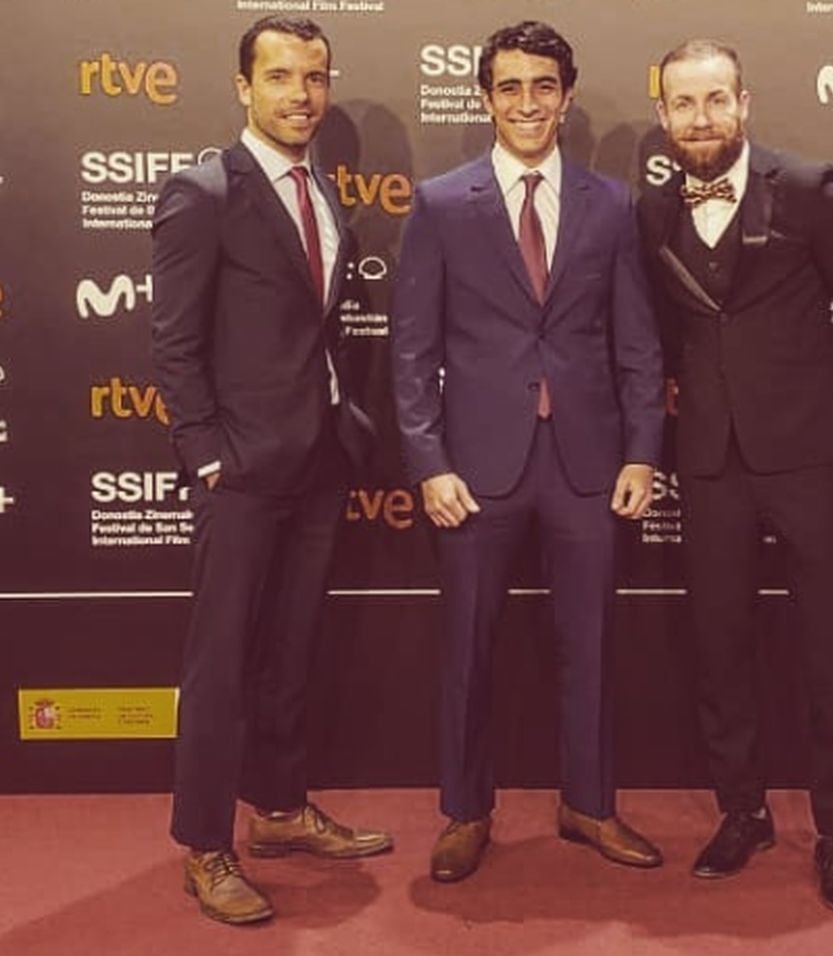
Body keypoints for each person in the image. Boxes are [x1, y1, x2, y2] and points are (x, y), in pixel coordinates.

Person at [391, 20, 665, 883]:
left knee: (592, 642)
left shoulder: (611, 204)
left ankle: (590, 804)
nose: (527, 103)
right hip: (475, 468)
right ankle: (467, 810)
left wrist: (642, 451)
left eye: (543, 86)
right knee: (469, 646)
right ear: (485, 98)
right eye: (509, 87)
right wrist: (429, 462)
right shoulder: (441, 204)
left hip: (588, 463)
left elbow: (637, 343)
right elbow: (411, 350)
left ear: (566, 96)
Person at [637, 39, 833, 913]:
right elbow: (664, 330)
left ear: (743, 103)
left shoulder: (808, 186)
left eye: (715, 100)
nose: (700, 118)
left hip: (808, 453)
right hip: (709, 458)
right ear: (663, 114)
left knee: (830, 649)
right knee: (719, 645)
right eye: (683, 103)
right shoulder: (652, 207)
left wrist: (814, 392)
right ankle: (741, 811)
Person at [151, 15, 390, 926]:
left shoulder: (320, 186)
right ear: (243, 87)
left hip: (318, 457)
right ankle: (205, 845)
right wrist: (206, 454)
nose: (301, 94)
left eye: (315, 77)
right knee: (221, 664)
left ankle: (282, 811)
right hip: (242, 469)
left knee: (291, 651)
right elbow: (174, 342)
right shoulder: (204, 190)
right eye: (281, 76)